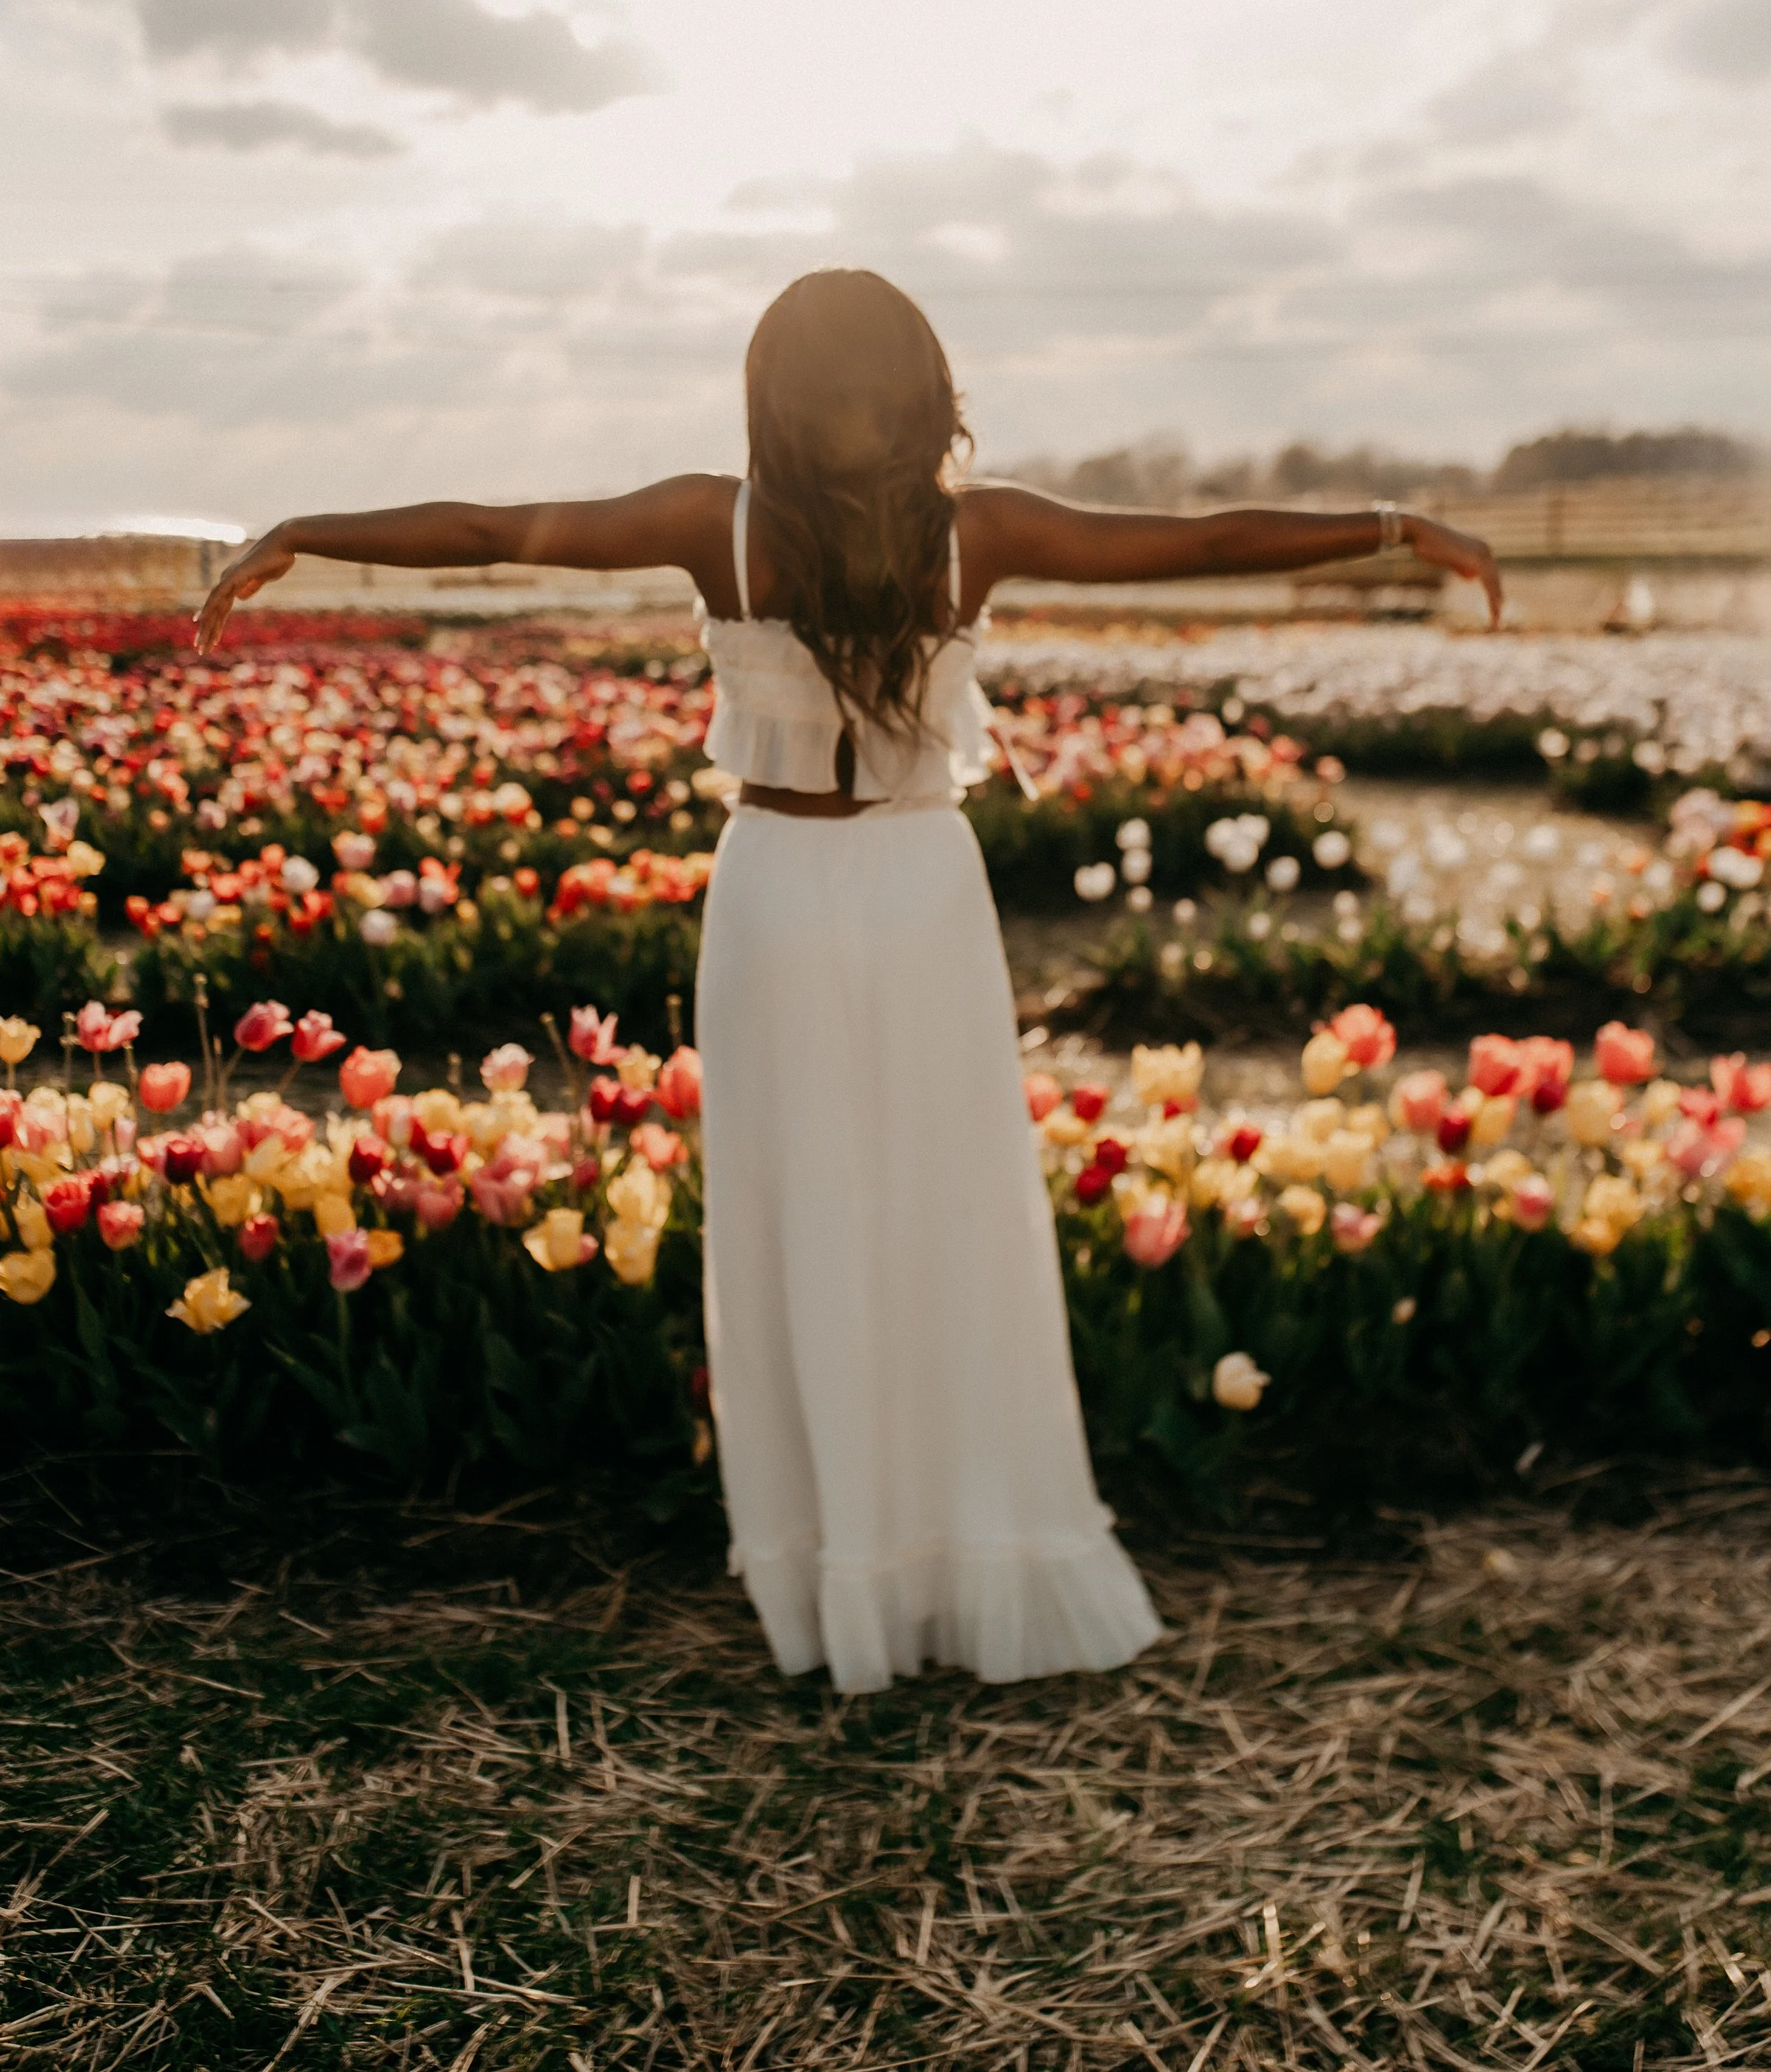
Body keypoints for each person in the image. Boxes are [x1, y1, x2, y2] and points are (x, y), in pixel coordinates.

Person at [198, 268, 1501, 1694]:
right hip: (921, 888)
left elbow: (496, 532)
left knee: (800, 1218)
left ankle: (847, 1577)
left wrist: (300, 532)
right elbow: (1194, 545)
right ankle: (963, 1555)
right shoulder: (975, 530)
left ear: (771, 390)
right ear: (924, 389)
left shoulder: (720, 522)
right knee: (949, 1218)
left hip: (779, 890)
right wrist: (1392, 526)